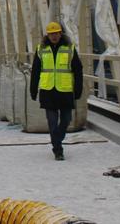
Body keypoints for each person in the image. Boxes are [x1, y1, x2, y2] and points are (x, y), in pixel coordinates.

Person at [30, 21, 82, 161]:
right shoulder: (41, 49)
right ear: (47, 35)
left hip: (64, 90)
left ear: (61, 33)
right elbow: (35, 70)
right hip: (48, 90)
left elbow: (78, 69)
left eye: (56, 33)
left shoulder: (69, 48)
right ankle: (58, 150)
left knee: (66, 120)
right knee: (52, 122)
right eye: (51, 34)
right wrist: (33, 89)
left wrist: (78, 88)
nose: (54, 36)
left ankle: (57, 138)